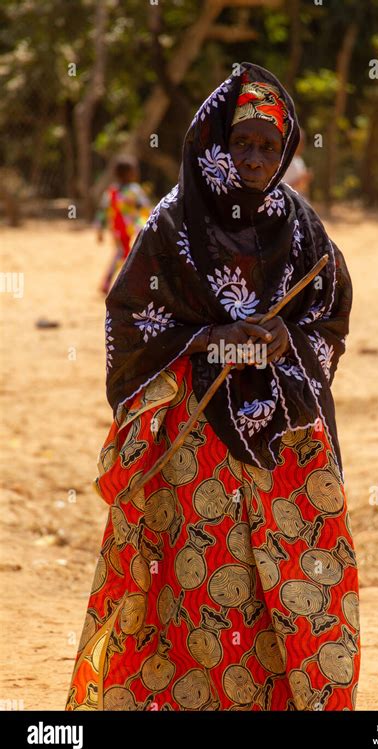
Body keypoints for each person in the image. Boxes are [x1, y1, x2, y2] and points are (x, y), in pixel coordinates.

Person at [65, 62, 359, 712]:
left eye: (269, 147)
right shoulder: (172, 226)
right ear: (218, 141)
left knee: (294, 578)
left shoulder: (301, 224)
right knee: (198, 586)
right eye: (244, 144)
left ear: (285, 152)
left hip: (283, 437)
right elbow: (131, 314)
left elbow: (328, 307)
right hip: (196, 438)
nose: (255, 159)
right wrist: (206, 340)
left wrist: (287, 339)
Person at [95, 156, 152, 294]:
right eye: (134, 170)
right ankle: (126, 283)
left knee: (122, 253)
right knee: (128, 254)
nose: (136, 173)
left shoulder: (112, 191)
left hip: (117, 229)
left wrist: (100, 230)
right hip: (129, 229)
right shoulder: (134, 190)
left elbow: (102, 211)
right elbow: (145, 207)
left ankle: (111, 281)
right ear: (128, 173)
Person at [282, 129, 313, 199]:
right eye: (300, 142)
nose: (302, 145)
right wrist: (301, 179)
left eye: (303, 142)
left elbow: (303, 187)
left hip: (300, 200)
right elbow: (282, 188)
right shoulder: (285, 160)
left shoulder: (299, 160)